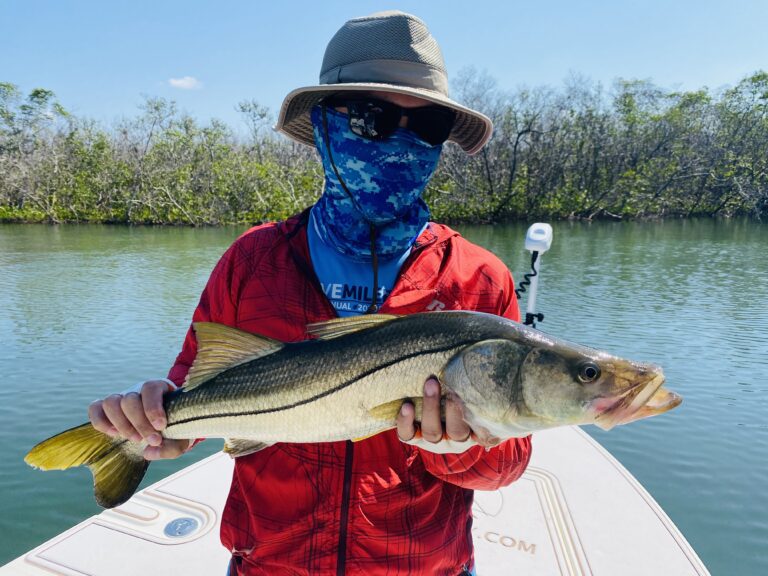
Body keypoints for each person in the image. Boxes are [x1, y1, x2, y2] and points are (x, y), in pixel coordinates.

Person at [88, 11, 532, 576]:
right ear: (323, 126)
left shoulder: (477, 278)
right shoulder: (252, 261)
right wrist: (153, 426)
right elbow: (190, 400)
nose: (401, 142)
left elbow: (509, 464)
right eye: (373, 118)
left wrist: (464, 448)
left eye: (427, 127)